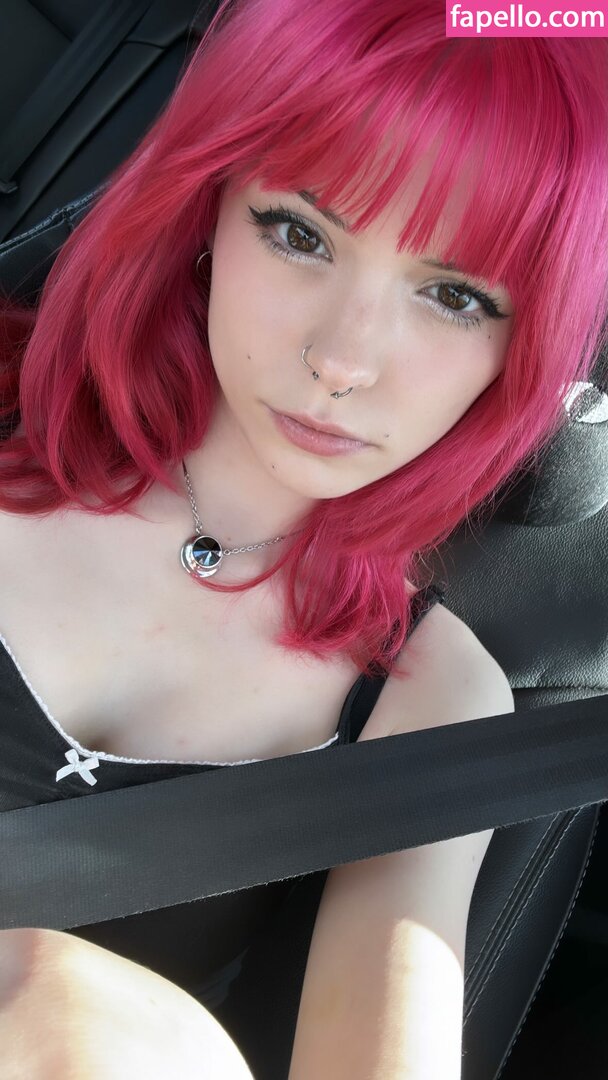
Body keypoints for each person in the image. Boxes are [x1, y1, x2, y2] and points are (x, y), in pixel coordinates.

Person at [0, 0, 606, 1077]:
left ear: (527, 350)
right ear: (204, 207)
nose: (342, 359)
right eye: (298, 235)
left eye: (454, 296)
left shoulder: (430, 701)